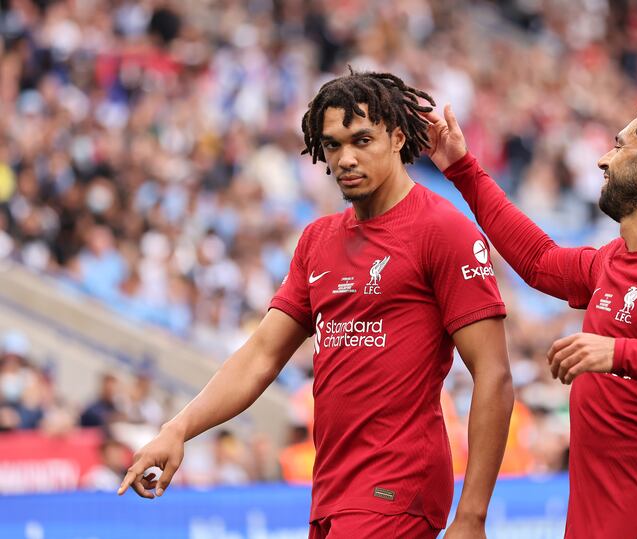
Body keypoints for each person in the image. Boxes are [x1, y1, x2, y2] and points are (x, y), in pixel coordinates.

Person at [118, 70, 514, 539]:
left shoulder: (443, 230)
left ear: (397, 137)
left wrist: (472, 515)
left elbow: (494, 374)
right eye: (332, 145)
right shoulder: (317, 240)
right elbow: (261, 355)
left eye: (361, 139)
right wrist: (178, 428)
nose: (345, 158)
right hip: (331, 492)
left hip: (397, 491)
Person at [423, 85, 637, 538]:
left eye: (618, 145)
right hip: (591, 524)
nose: (603, 160)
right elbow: (538, 260)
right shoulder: (612, 260)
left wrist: (619, 353)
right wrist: (462, 168)